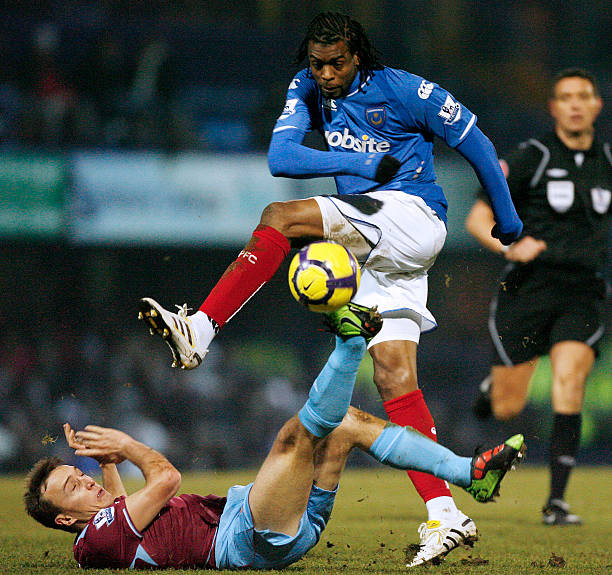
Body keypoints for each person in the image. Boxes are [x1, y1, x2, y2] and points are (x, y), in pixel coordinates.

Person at [137, 12, 522, 565]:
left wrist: (507, 219)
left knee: (282, 217)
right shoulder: (307, 88)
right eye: (317, 64)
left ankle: (200, 327)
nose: (326, 74)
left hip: (413, 216)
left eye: (336, 63)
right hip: (381, 246)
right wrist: (360, 160)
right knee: (393, 377)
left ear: (357, 55)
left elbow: (476, 142)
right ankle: (446, 514)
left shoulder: (405, 90)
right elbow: (282, 158)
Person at [25, 305, 526, 569]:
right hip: (245, 538)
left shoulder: (109, 528)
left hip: (272, 523)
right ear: (65, 519)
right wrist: (129, 446)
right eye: (72, 486)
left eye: (77, 474)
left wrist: (106, 461)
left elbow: (120, 506)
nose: (84, 480)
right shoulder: (93, 544)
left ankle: (469, 473)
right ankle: (350, 341)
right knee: (293, 438)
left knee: (346, 423)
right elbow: (167, 479)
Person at [466, 68, 610, 525]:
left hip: (582, 291)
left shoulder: (607, 161)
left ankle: (557, 503)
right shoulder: (532, 156)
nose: (575, 104)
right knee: (507, 405)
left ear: (596, 105)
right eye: (566, 97)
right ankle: (493, 389)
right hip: (528, 289)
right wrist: (510, 247)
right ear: (553, 107)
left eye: (583, 96)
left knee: (570, 381)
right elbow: (477, 217)